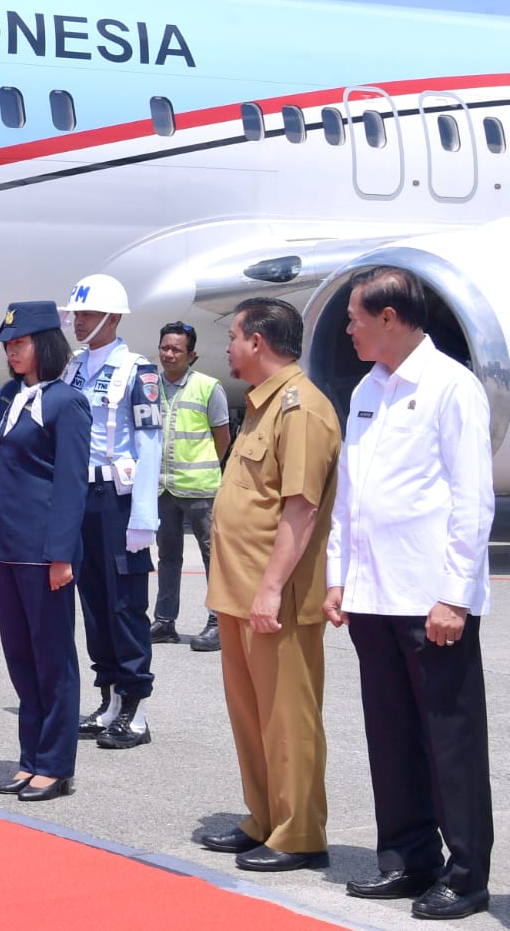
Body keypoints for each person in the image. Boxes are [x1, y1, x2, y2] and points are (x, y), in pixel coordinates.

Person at [324, 267, 494, 920]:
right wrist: (340, 578)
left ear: (390, 318)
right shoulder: (368, 389)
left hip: (430, 601)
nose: (349, 328)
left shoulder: (452, 388)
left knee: (449, 741)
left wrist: (455, 595)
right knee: (390, 735)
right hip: (373, 596)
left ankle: (467, 872)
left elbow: (473, 501)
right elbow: (352, 495)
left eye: (356, 318)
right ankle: (405, 856)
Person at [199, 297, 339, 872]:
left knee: (287, 720)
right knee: (252, 717)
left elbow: (300, 510)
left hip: (272, 598)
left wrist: (270, 588)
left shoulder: (300, 408)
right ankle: (264, 818)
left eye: (233, 336)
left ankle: (300, 833)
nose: (228, 346)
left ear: (258, 341)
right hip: (239, 594)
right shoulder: (262, 406)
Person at [0, 301, 91, 802]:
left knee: (53, 662)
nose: (12, 352)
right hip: (5, 546)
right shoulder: (10, 395)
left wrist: (61, 555)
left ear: (45, 345)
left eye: (20, 343)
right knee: (21, 660)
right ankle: (30, 759)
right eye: (8, 345)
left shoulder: (66, 403)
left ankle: (56, 764)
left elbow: (72, 486)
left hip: (42, 551)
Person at [61, 274, 162, 749]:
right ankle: (108, 701)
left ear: (111, 317)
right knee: (95, 604)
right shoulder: (73, 368)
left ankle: (135, 709)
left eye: (84, 314)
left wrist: (144, 516)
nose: (76, 322)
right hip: (81, 497)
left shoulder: (136, 371)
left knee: (124, 604)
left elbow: (149, 443)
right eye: (76, 314)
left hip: (117, 502)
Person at [150, 321, 231, 651]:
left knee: (213, 556)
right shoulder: (150, 386)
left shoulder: (209, 387)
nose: (168, 354)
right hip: (164, 488)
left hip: (199, 488)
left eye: (176, 349)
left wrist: (205, 466)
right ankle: (165, 621)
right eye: (165, 348)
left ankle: (218, 623)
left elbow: (222, 437)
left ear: (191, 354)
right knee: (168, 556)